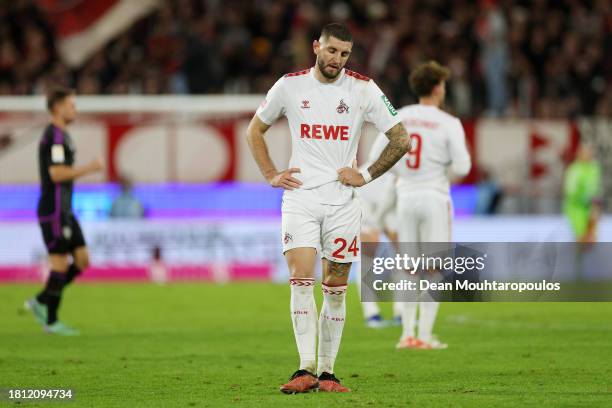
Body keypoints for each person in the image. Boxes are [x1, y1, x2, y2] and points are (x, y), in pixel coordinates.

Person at [246, 23, 410, 393]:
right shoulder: (289, 85)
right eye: (332, 51)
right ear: (316, 46)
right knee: (301, 279)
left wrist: (365, 175)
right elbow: (254, 130)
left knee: (335, 287)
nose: (337, 59)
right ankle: (303, 369)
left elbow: (401, 139)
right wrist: (271, 173)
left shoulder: (364, 89)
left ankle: (327, 373)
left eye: (344, 54)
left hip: (343, 204)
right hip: (301, 199)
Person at [384, 61, 471, 349]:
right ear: (437, 88)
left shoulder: (401, 116)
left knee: (409, 267)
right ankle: (424, 335)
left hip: (405, 197)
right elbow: (463, 165)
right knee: (434, 269)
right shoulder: (449, 123)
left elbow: (379, 156)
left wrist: (406, 175)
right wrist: (438, 175)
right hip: (434, 197)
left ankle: (406, 335)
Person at [25, 87, 104, 335]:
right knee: (59, 265)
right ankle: (50, 321)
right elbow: (56, 173)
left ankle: (40, 300)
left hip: (66, 210)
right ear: (57, 107)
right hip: (54, 209)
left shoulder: (63, 135)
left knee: (82, 260)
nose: (75, 109)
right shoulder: (55, 136)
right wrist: (90, 168)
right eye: (71, 105)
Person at [357, 138, 402, 328]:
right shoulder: (364, 174)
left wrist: (391, 229)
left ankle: (402, 313)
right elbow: (359, 199)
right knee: (367, 255)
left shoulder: (400, 173)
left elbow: (392, 201)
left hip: (389, 211)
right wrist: (373, 226)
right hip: (365, 210)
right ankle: (371, 314)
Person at [563, 143, 601, 243]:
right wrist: (582, 198)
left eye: (589, 153)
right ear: (579, 155)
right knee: (581, 239)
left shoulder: (594, 168)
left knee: (592, 238)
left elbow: (595, 187)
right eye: (585, 153)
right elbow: (570, 190)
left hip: (591, 207)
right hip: (577, 208)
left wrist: (595, 202)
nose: (588, 155)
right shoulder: (575, 169)